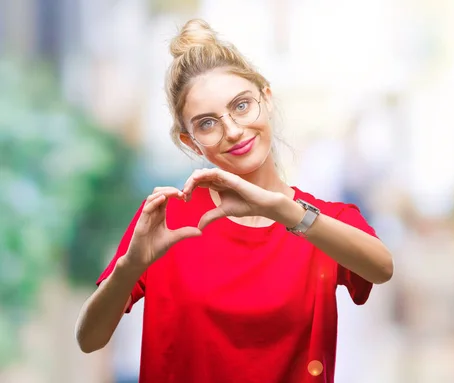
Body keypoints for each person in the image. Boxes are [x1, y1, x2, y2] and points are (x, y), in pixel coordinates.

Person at [74, 19, 394, 383]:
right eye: (207, 124)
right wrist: (130, 267)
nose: (233, 130)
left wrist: (282, 210)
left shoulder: (319, 222)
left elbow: (381, 268)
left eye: (241, 106)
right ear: (191, 141)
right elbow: (89, 338)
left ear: (267, 99)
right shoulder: (168, 220)